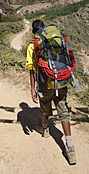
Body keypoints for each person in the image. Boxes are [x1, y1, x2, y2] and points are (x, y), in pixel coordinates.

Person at [26, 20, 76, 165]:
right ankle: (70, 145)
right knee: (63, 110)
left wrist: (32, 89)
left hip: (45, 84)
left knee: (44, 107)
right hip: (61, 82)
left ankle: (45, 129)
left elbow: (32, 69)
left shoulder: (32, 46)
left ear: (33, 32)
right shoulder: (57, 41)